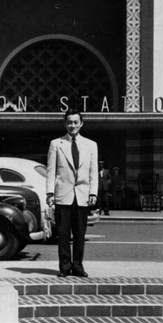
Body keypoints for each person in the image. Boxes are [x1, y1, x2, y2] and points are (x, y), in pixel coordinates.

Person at [46, 109, 98, 277]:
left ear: (81, 124)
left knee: (79, 234)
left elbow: (93, 172)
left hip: (82, 196)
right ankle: (65, 267)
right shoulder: (56, 144)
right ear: (65, 124)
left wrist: (93, 193)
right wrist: (49, 193)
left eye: (76, 122)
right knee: (63, 234)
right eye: (69, 122)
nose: (72, 125)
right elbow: (51, 171)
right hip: (63, 196)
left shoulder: (91, 145)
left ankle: (78, 266)